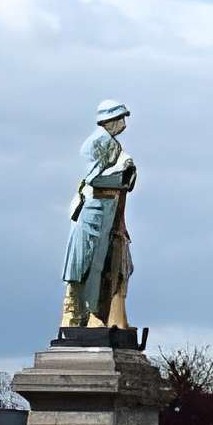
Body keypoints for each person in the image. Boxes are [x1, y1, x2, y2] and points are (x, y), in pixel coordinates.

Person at [60, 100, 138, 331]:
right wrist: (121, 176)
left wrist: (127, 174)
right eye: (119, 118)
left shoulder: (113, 144)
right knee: (85, 262)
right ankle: (82, 314)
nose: (123, 124)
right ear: (108, 121)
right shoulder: (95, 143)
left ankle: (95, 313)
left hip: (108, 210)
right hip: (93, 209)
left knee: (100, 263)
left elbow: (127, 174)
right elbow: (93, 179)